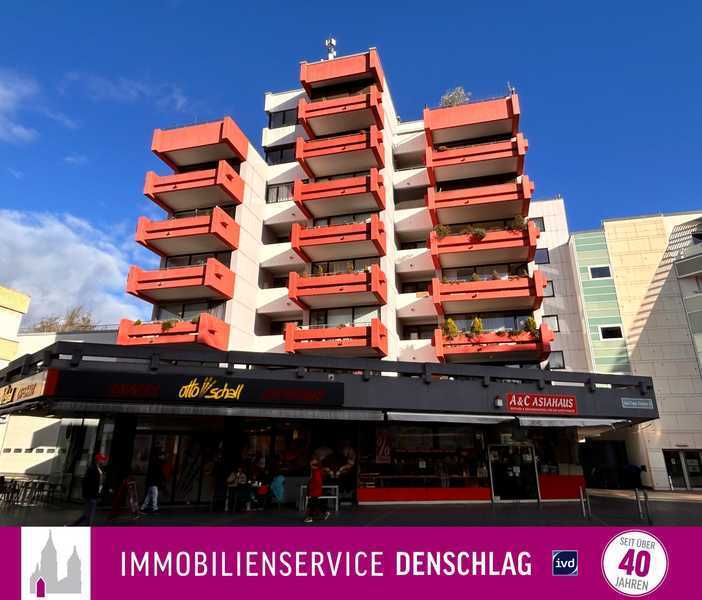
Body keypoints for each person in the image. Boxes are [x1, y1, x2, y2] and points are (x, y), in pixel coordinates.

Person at [71, 453, 107, 526]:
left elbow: (99, 483)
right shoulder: (92, 469)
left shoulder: (99, 469)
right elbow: (85, 482)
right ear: (98, 460)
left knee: (87, 514)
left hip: (94, 495)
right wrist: (86, 495)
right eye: (102, 460)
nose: (104, 461)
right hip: (91, 495)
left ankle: (72, 525)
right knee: (89, 515)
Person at [304, 458, 329, 523]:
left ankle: (310, 517)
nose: (310, 465)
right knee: (316, 502)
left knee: (313, 503)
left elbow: (318, 482)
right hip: (314, 489)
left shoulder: (316, 471)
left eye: (311, 464)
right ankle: (325, 512)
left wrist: (311, 487)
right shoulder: (315, 471)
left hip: (315, 490)